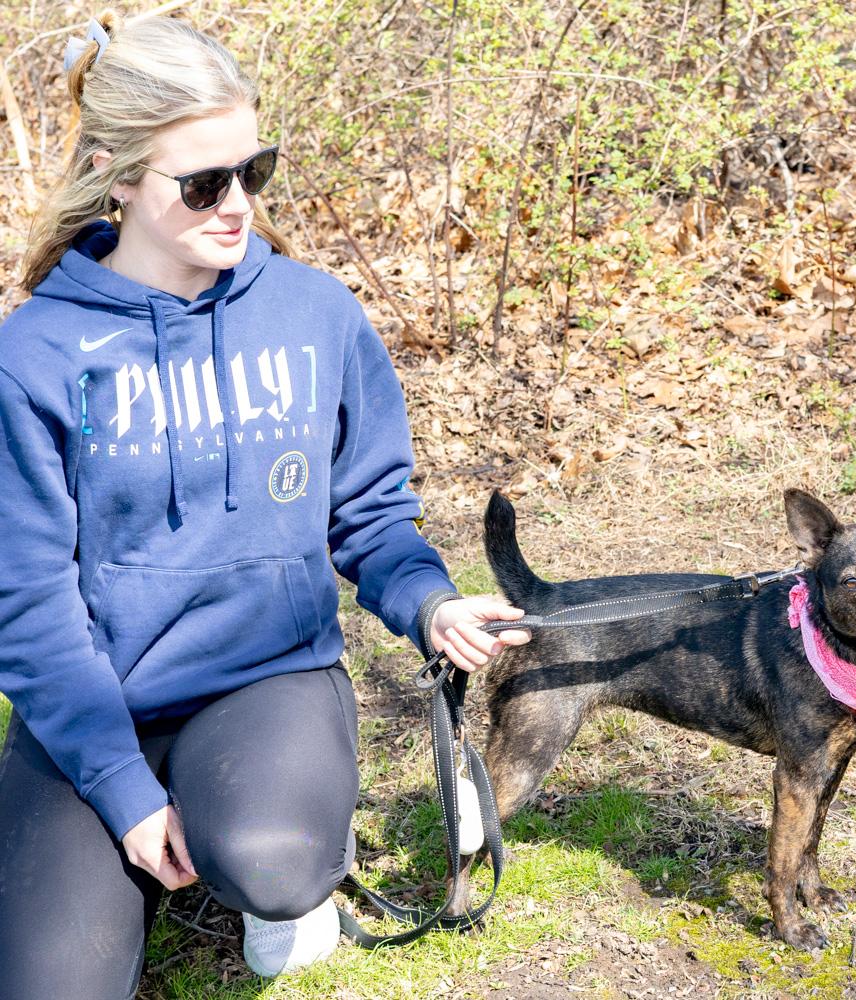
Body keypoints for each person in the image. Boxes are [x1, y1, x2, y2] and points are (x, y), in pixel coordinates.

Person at [0, 9, 530, 996]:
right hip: (94, 698)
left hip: (267, 680)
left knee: (272, 856)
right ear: (118, 175)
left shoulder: (313, 313)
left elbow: (369, 514)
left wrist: (429, 602)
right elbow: (28, 603)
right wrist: (121, 791)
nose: (238, 203)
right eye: (203, 182)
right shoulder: (35, 354)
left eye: (255, 169)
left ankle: (270, 880)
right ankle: (155, 828)